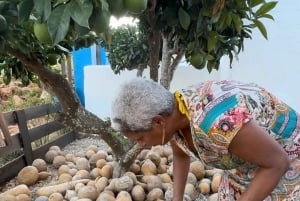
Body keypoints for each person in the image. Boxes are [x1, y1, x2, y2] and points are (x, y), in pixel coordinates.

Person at [111, 78, 300, 201]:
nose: (141, 144)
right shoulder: (177, 111)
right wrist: (177, 198)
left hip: (286, 162)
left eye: (140, 138)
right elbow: (180, 154)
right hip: (243, 166)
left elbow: (277, 163)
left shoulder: (219, 121)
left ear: (158, 122)